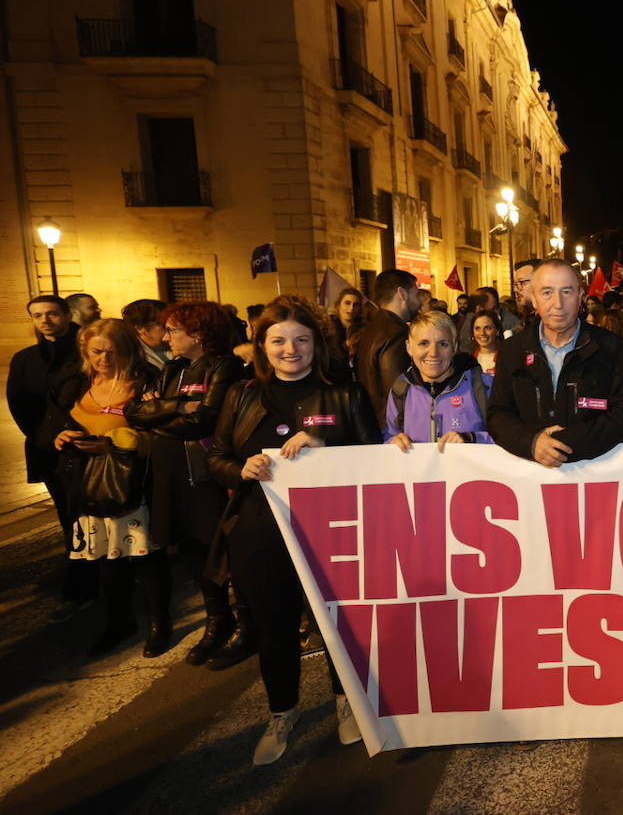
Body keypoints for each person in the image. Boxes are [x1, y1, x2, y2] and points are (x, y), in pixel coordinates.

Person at [206, 296, 379, 765]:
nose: (290, 349)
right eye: (278, 340)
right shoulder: (242, 396)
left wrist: (325, 447)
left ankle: (349, 703)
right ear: (262, 346)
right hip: (259, 535)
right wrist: (241, 468)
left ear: (317, 345)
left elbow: (374, 462)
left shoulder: (346, 395)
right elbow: (216, 458)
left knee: (339, 625)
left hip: (333, 532)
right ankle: (282, 711)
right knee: (273, 628)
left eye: (301, 339)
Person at [125, 302, 246, 664]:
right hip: (170, 473)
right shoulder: (172, 368)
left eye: (174, 330)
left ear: (198, 333)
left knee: (217, 547)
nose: (167, 336)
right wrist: (178, 407)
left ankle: (240, 620)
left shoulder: (223, 366)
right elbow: (135, 412)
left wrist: (159, 411)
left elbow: (204, 421)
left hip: (202, 475)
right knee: (193, 549)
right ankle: (217, 617)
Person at [40, 319, 162, 656]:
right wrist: (60, 437)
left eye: (112, 351)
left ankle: (158, 623)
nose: (104, 359)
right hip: (85, 483)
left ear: (127, 350)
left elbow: (163, 433)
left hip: (131, 484)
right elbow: (51, 423)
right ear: (84, 351)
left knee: (145, 557)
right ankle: (119, 621)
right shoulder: (75, 382)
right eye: (96, 352)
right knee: (107, 560)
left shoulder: (147, 382)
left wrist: (116, 446)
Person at [487, 259, 623, 467]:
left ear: (580, 296)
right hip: (529, 477)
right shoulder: (512, 350)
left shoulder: (611, 347)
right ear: (533, 299)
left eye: (566, 292)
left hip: (597, 476)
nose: (558, 304)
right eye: (547, 292)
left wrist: (565, 444)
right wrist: (531, 442)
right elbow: (498, 415)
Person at [7, 295, 93, 616]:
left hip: (87, 444)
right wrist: (48, 435)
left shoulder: (86, 351)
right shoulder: (25, 359)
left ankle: (102, 572)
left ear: (66, 315)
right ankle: (80, 573)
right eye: (37, 315)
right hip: (51, 450)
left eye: (52, 314)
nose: (45, 320)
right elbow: (22, 408)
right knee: (68, 515)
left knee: (95, 511)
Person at [385, 310, 491, 449]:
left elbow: (506, 437)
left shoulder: (482, 386)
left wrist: (472, 438)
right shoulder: (401, 389)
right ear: (409, 347)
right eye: (423, 343)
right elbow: (388, 435)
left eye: (443, 344)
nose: (433, 353)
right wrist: (393, 442)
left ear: (455, 347)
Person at [353, 269, 420, 425]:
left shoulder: (373, 328)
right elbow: (398, 388)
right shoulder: (395, 334)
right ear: (402, 293)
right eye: (416, 294)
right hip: (392, 427)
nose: (419, 302)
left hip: (376, 421)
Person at [121, 299, 169, 371]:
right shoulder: (132, 362)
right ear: (140, 329)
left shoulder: (172, 350)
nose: (168, 330)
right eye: (162, 324)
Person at [329, 287, 366, 355]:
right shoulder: (328, 328)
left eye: (356, 304)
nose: (351, 308)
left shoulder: (365, 329)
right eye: (347, 303)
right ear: (338, 305)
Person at [471, 308, 502, 390]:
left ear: (497, 331)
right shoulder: (468, 362)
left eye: (487, 328)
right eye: (477, 328)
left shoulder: (507, 359)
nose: (482, 333)